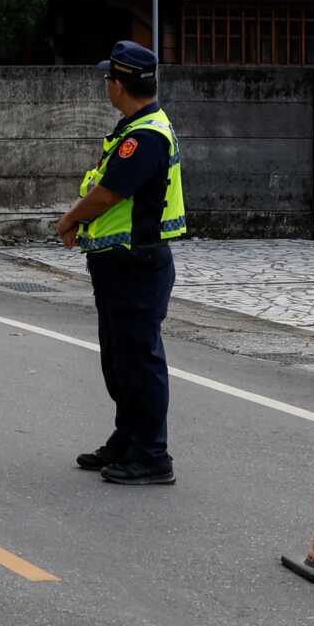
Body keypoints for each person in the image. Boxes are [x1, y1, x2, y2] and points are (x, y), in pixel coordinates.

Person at [52, 41, 187, 487]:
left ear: (121, 84)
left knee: (138, 358)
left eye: (108, 77)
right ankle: (127, 439)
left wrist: (70, 218)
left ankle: (152, 455)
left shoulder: (145, 136)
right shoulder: (135, 127)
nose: (105, 84)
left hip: (137, 263)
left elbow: (109, 193)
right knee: (119, 357)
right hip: (119, 262)